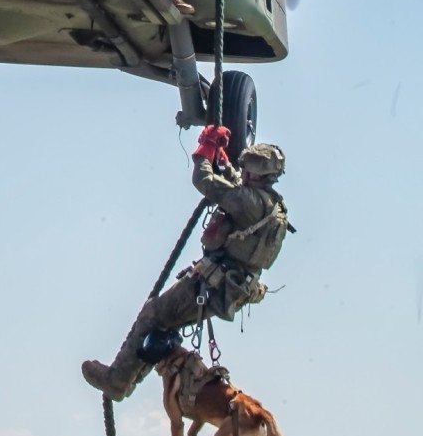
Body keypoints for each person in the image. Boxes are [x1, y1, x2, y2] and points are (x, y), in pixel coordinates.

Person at [80, 127, 292, 401]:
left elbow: (204, 180)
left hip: (214, 282)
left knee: (153, 314)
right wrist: (224, 161)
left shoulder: (247, 201)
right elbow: (235, 186)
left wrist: (204, 150)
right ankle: (128, 382)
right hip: (231, 289)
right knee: (164, 324)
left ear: (256, 173)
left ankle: (117, 380)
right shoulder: (275, 208)